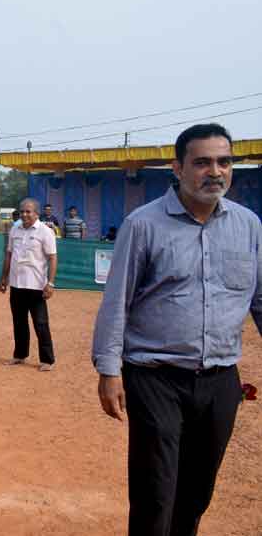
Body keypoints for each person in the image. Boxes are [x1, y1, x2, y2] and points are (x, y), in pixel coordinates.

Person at [92, 123, 260, 535]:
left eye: (224, 162)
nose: (215, 172)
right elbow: (117, 301)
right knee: (155, 492)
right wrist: (109, 371)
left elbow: (260, 299)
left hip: (221, 380)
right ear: (178, 168)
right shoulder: (143, 224)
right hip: (155, 378)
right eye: (202, 162)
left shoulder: (249, 226)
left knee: (197, 491)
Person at [0, 197, 57, 371]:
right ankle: (20, 355)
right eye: (22, 211)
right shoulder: (14, 229)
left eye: (28, 211)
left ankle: (47, 360)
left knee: (41, 323)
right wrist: (3, 277)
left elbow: (52, 258)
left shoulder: (45, 232)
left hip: (36, 285)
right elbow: (9, 254)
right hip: (16, 284)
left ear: (36, 213)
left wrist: (51, 283)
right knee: (19, 322)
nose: (24, 214)